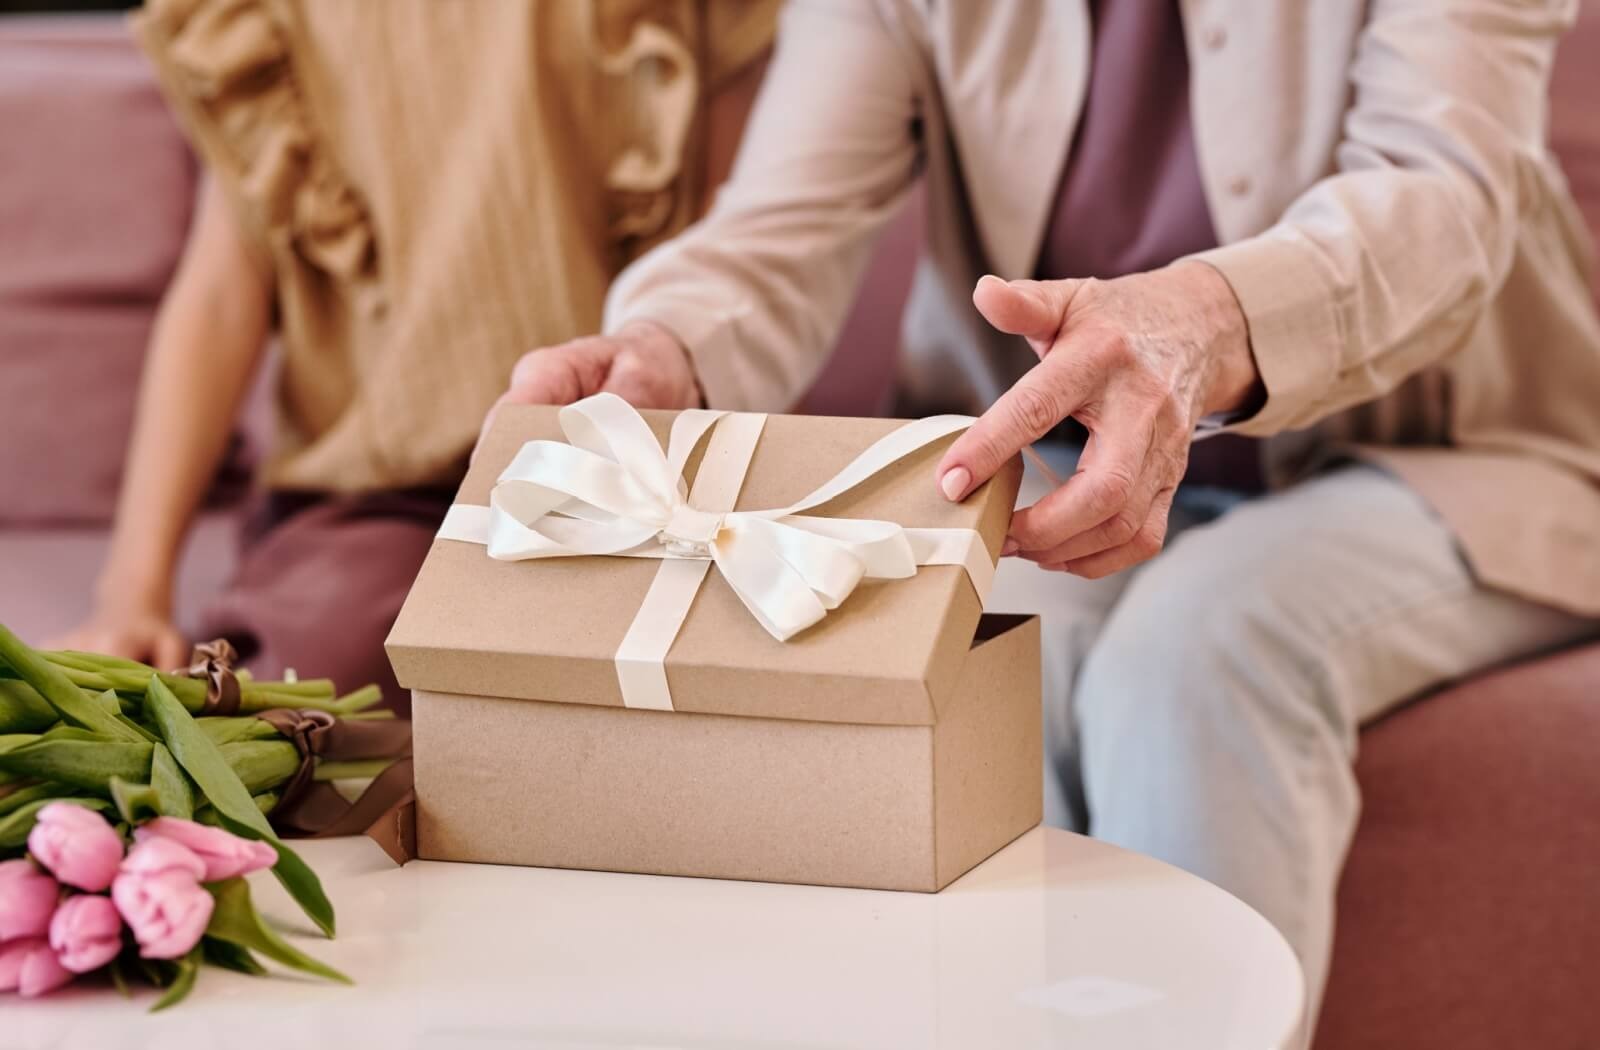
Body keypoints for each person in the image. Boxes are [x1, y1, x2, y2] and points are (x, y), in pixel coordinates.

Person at [493, 0, 1600, 1023]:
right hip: (1054, 478)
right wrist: (665, 349)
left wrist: (1205, 318)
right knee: (978, 651)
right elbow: (784, 220)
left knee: (1201, 648)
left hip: (1447, 459)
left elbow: (1441, 197)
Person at [51, 0, 779, 712]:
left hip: (634, 478)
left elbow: (733, 261)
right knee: (331, 676)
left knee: (691, 659)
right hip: (374, 494)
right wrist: (132, 592)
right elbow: (220, 296)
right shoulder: (268, 18)